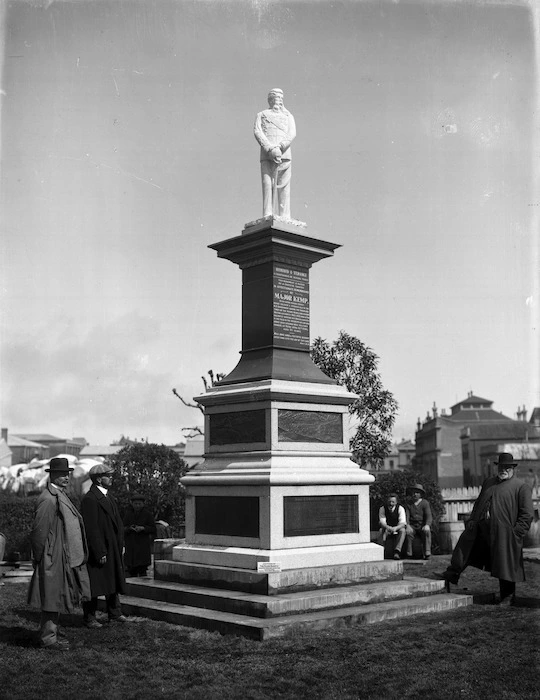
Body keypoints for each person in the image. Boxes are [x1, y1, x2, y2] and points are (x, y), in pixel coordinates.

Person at [440, 452, 534, 605]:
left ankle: (507, 596)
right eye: (501, 466)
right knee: (466, 546)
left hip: (506, 533)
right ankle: (452, 574)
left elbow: (527, 514)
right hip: (483, 529)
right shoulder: (489, 482)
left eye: (507, 467)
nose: (503, 469)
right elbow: (479, 503)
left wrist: (517, 532)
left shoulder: (521, 487)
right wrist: (473, 519)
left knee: (505, 563)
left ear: (512, 468)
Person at [27, 457, 90, 650]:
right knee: (51, 597)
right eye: (62, 474)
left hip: (59, 554)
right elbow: (39, 532)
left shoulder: (58, 495)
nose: (66, 477)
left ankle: (50, 633)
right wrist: (39, 557)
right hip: (51, 556)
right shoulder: (48, 499)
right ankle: (48, 638)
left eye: (67, 474)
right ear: (52, 474)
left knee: (56, 595)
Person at [81, 463, 127, 627]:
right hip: (100, 549)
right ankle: (89, 617)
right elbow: (91, 529)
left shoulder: (108, 496)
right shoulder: (90, 499)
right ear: (99, 479)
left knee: (112, 579)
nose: (112, 478)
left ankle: (114, 613)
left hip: (112, 547)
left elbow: (117, 523)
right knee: (95, 584)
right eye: (109, 475)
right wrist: (99, 551)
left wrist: (120, 544)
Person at [254, 88, 296, 219]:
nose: (277, 101)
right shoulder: (261, 115)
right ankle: (268, 213)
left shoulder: (288, 116)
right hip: (267, 154)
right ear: (270, 100)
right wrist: (270, 149)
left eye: (280, 98)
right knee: (268, 184)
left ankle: (285, 216)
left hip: (284, 154)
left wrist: (281, 147)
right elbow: (258, 132)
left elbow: (292, 133)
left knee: (284, 186)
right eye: (274, 98)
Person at [123, 492, 156, 577]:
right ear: (132, 504)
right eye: (135, 504)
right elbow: (122, 528)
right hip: (131, 546)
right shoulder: (128, 514)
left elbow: (153, 528)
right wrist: (129, 528)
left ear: (143, 504)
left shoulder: (147, 514)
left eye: (139, 504)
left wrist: (143, 528)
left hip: (142, 546)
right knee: (131, 571)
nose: (137, 506)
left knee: (142, 571)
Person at [405, 484, 432, 560]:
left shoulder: (425, 503)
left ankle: (427, 552)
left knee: (426, 532)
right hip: (412, 525)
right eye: (413, 493)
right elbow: (406, 516)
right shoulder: (409, 504)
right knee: (409, 533)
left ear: (421, 494)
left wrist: (427, 525)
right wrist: (407, 525)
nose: (415, 494)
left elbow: (429, 516)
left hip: (422, 525)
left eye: (417, 493)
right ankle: (409, 553)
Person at [378, 493, 407, 560]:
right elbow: (382, 522)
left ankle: (397, 551)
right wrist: (388, 528)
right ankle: (381, 551)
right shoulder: (382, 509)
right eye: (389, 502)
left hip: (397, 527)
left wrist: (395, 528)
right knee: (381, 531)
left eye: (393, 502)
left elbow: (403, 523)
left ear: (396, 502)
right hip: (386, 527)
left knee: (403, 531)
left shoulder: (400, 508)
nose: (391, 503)